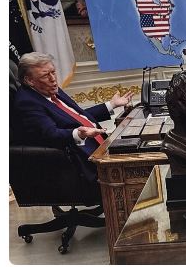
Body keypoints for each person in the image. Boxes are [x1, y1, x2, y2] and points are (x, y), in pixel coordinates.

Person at [12, 52, 133, 182]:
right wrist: (78, 134)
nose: (53, 79)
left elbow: (77, 116)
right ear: (29, 80)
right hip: (84, 161)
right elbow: (51, 134)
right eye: (46, 75)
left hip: (102, 145)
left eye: (53, 72)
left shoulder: (51, 89)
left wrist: (112, 104)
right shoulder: (27, 102)